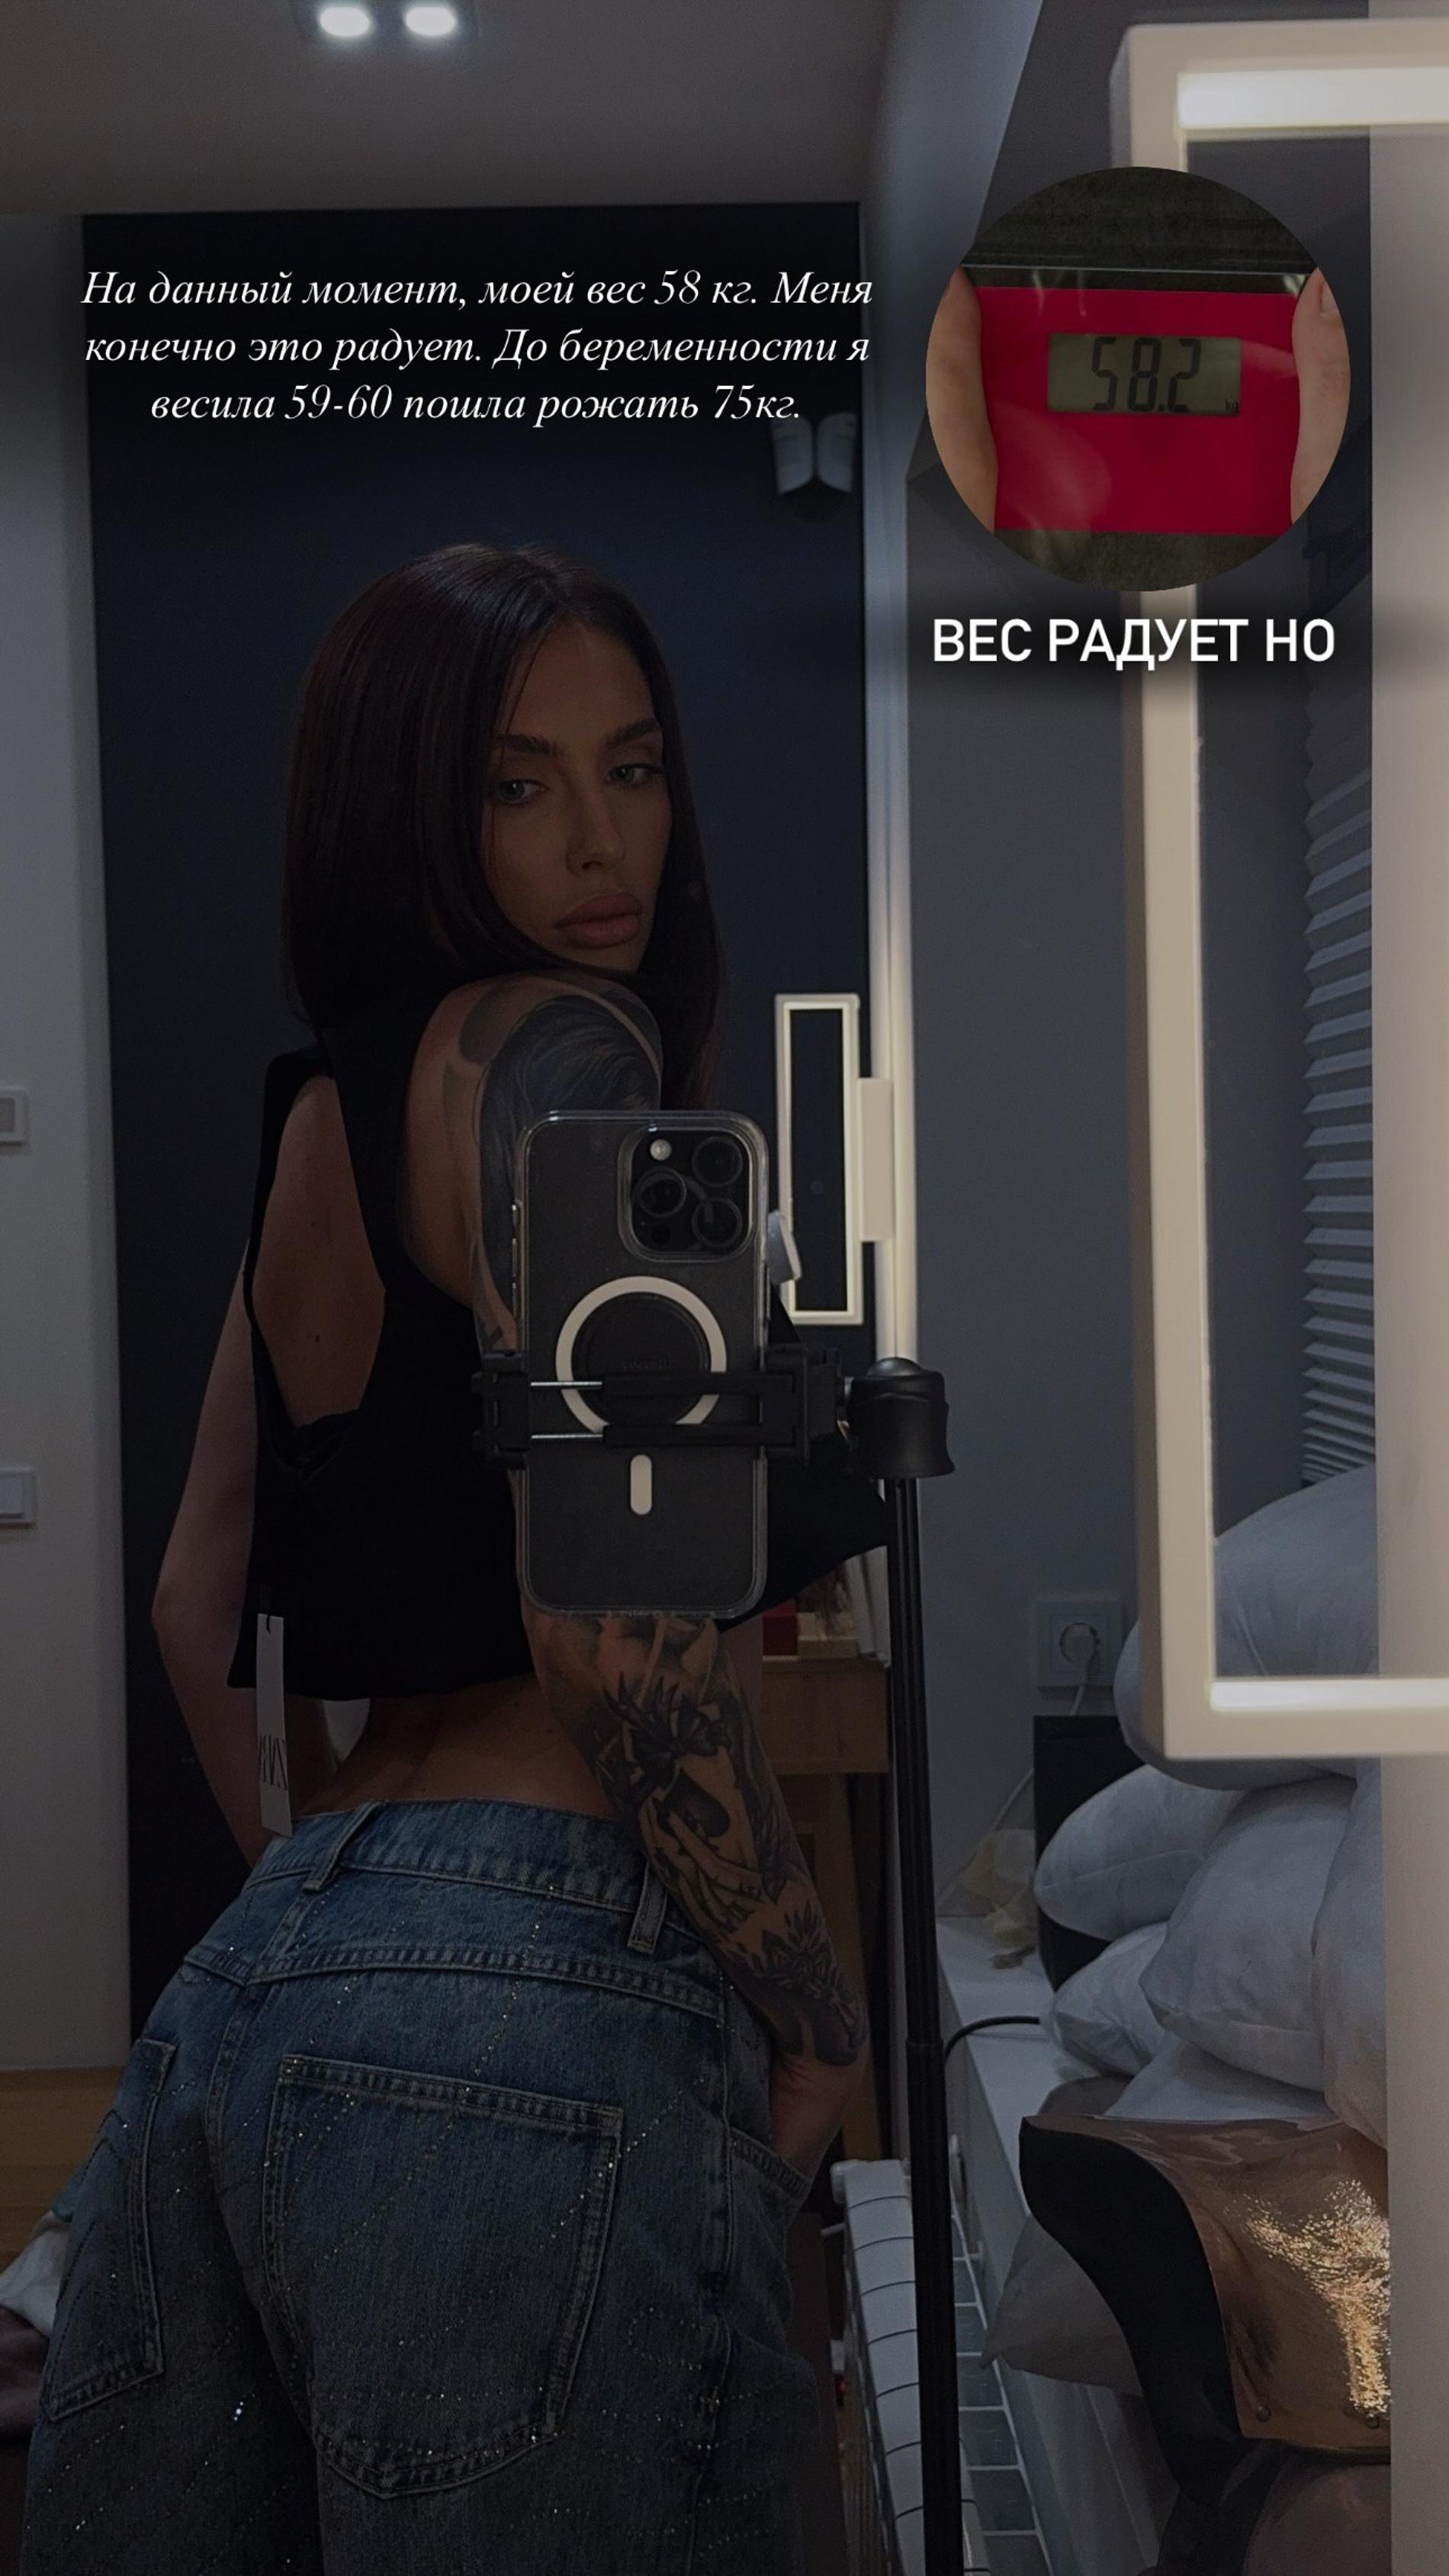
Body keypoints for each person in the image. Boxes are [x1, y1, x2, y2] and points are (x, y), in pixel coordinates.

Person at [21, 542, 887, 2574]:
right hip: (544, 1982)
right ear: (411, 805)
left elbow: (194, 1597)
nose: (600, 840)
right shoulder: (571, 1058)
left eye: (632, 766)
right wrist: (816, 2007)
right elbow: (614, 1627)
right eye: (517, 783)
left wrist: (353, 1932)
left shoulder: (318, 1122)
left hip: (255, 1983)